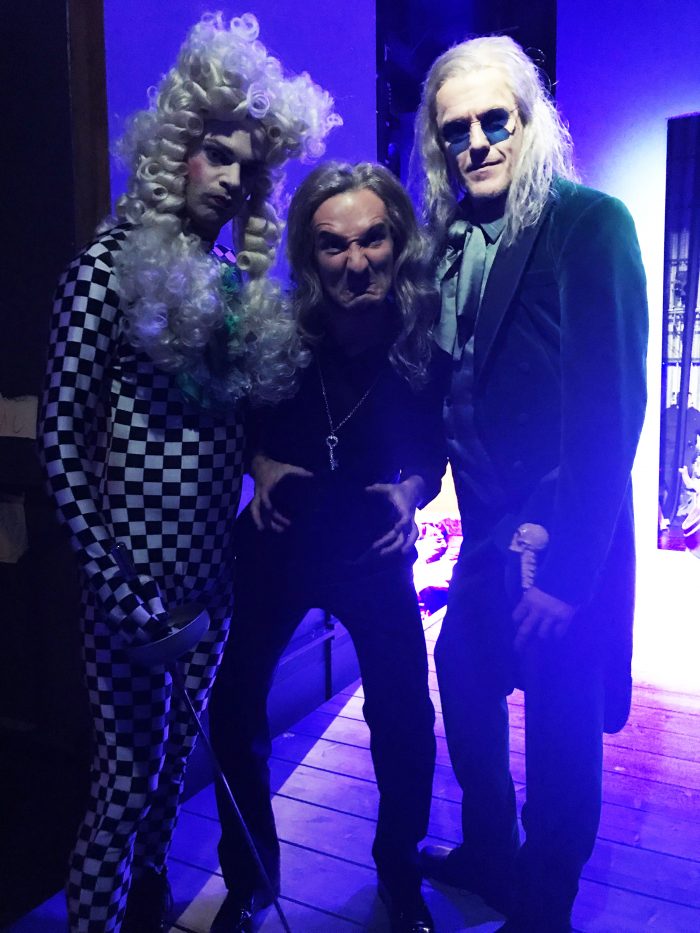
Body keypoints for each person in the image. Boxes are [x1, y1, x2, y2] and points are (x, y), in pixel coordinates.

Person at [38, 12, 339, 932]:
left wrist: (268, 460)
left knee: (174, 769)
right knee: (127, 781)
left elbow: (227, 430)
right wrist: (120, 592)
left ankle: (147, 906)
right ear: (175, 151)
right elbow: (60, 447)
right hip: (130, 592)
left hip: (211, 582)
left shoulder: (231, 291)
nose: (234, 179)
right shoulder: (102, 274)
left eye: (249, 166)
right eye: (217, 154)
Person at [409, 35, 648, 933]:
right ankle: (489, 851)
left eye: (494, 120)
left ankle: (546, 905)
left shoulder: (589, 224)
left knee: (560, 722)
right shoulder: (446, 243)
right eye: (455, 129)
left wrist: (569, 573)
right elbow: (448, 383)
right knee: (462, 673)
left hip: (558, 535)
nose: (475, 142)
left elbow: (610, 408)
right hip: (487, 531)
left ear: (530, 120)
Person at [208, 161, 445, 933]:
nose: (355, 261)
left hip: (372, 546)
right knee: (233, 706)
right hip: (280, 541)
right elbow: (236, 422)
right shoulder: (279, 334)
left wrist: (414, 489)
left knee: (405, 718)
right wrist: (258, 462)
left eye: (373, 239)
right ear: (310, 256)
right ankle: (250, 880)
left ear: (397, 242)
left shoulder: (420, 339)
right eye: (333, 245)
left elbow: (434, 447)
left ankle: (399, 875)